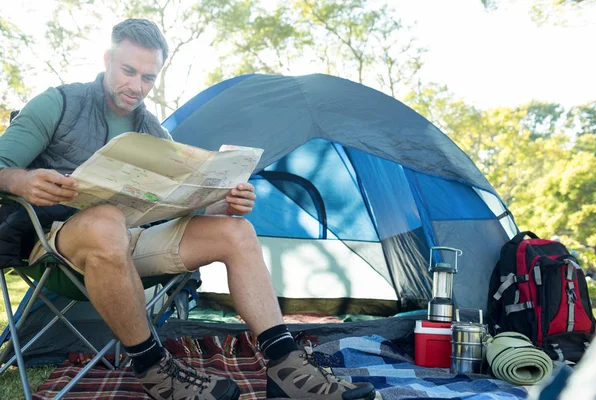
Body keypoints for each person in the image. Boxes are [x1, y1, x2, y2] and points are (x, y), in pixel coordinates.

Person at [0, 19, 375, 400]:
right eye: (128, 71)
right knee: (106, 220)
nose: (136, 86)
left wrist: (223, 203)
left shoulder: (151, 130)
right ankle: (154, 367)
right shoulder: (59, 102)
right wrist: (22, 182)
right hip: (55, 245)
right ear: (108, 59)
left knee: (236, 232)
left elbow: (173, 199)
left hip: (130, 240)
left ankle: (286, 369)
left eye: (149, 77)